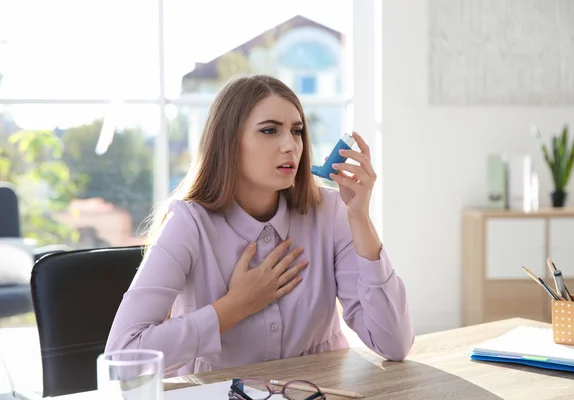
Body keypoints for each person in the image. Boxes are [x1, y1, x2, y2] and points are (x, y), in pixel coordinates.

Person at [105, 75, 414, 377]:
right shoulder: (188, 224)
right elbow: (123, 357)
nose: (290, 145)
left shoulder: (332, 212)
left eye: (296, 131)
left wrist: (360, 218)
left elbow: (394, 345)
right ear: (228, 144)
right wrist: (234, 306)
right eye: (269, 131)